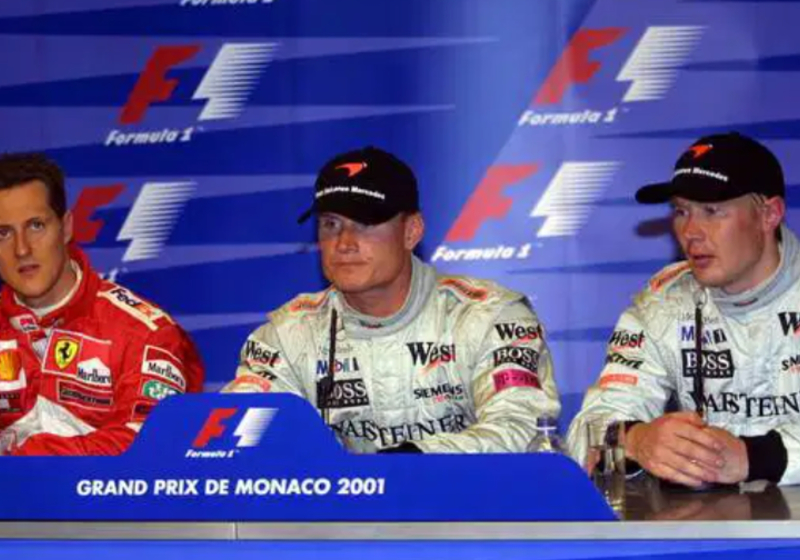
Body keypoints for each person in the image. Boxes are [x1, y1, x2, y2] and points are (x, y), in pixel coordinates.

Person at [227, 146, 560, 452]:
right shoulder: (286, 336)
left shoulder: (490, 317)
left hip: (471, 513)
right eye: (331, 224)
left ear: (411, 231)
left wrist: (404, 467)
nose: (344, 243)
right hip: (343, 516)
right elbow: (244, 440)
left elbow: (523, 430)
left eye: (366, 223)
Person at [567, 132, 800, 486]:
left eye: (712, 211)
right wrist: (635, 439)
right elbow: (589, 427)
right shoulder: (663, 301)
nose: (690, 231)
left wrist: (755, 458)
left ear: (768, 214)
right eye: (681, 211)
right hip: (709, 532)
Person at [0, 152, 204, 455]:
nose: (22, 249)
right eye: (3, 233)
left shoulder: (143, 331)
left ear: (66, 227)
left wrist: (26, 459)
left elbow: (154, 443)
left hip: (109, 503)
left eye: (36, 226)